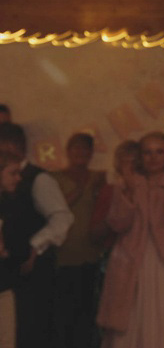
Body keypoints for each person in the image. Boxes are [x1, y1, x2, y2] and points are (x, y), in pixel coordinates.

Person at [97, 132, 164, 348]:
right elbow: (117, 223)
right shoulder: (128, 184)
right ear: (140, 157)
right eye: (147, 152)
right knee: (131, 327)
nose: (153, 158)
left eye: (159, 152)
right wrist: (127, 194)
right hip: (133, 266)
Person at [0, 122, 74, 348]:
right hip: (9, 271)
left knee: (28, 331)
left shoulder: (38, 178)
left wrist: (34, 245)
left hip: (30, 273)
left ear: (9, 145)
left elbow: (62, 218)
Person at [53, 133, 107, 348]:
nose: (81, 152)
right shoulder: (55, 178)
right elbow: (56, 209)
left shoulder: (99, 178)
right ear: (68, 151)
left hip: (92, 257)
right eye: (76, 147)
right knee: (63, 317)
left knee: (87, 317)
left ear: (92, 153)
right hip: (63, 258)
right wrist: (81, 189)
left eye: (86, 148)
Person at [0, 150, 24, 348]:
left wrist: (9, 252)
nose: (19, 178)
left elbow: (19, 248)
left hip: (4, 284)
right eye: (13, 173)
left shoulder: (12, 205)